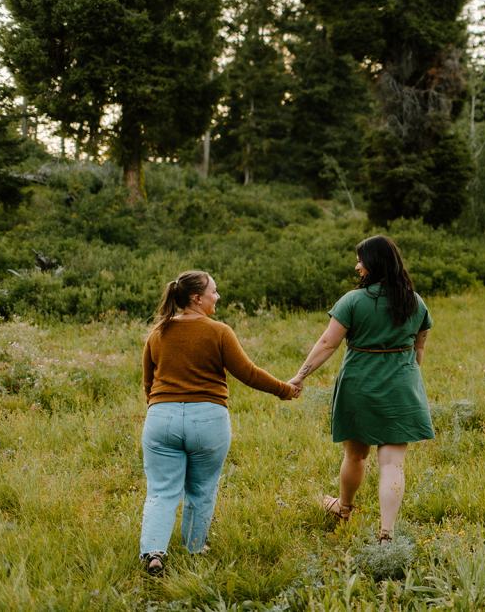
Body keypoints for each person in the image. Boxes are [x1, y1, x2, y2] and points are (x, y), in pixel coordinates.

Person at [139, 270, 299, 576]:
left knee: (161, 491)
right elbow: (248, 373)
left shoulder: (157, 333)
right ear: (197, 298)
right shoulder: (219, 331)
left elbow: (148, 382)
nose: (218, 296)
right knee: (201, 489)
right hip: (208, 419)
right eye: (214, 291)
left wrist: (163, 409)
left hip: (161, 418)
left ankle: (154, 552)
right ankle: (194, 548)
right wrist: (284, 390)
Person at [289, 235, 434, 543]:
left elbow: (328, 343)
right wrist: (407, 378)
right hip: (401, 386)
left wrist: (300, 376)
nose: (357, 266)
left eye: (361, 260)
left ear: (373, 264)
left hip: (360, 384)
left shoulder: (353, 301)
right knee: (393, 463)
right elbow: (419, 349)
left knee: (355, 457)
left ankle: (344, 509)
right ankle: (386, 534)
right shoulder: (415, 301)